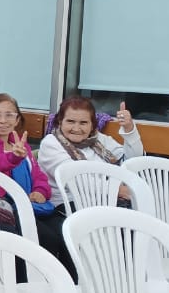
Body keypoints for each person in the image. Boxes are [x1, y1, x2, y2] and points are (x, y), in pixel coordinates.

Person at [35, 96, 143, 278]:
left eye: (83, 122)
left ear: (92, 125)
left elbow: (132, 162)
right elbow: (75, 178)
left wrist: (129, 130)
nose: (76, 128)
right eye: (70, 121)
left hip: (106, 202)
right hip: (69, 205)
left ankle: (129, 281)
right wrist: (117, 190)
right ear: (60, 121)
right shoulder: (51, 143)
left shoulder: (99, 140)